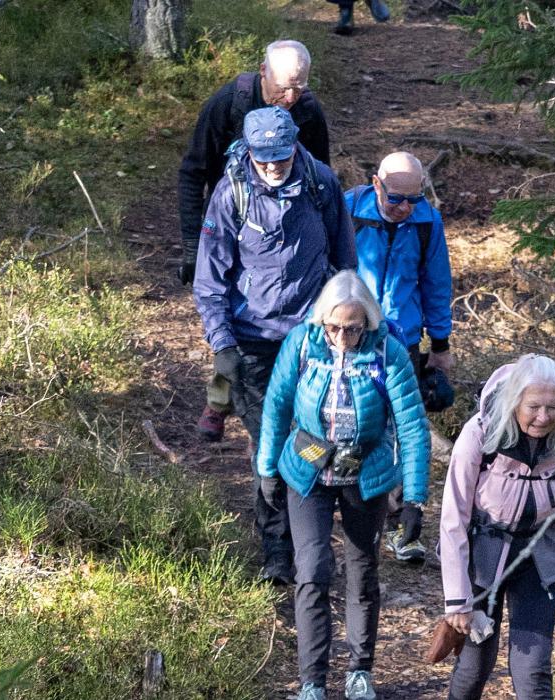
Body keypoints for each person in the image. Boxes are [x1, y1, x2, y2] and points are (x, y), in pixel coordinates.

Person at [193, 106, 356, 587]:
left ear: (294, 147)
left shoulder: (320, 184)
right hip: (252, 344)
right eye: (263, 158)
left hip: (311, 340)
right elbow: (209, 281)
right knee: (271, 447)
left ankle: (307, 547)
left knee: (309, 441)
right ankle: (277, 554)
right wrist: (222, 346)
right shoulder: (232, 193)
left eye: (279, 157)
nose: (271, 166)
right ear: (249, 151)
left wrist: (351, 328)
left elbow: (345, 264)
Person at [257, 271, 431, 700]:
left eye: (352, 328)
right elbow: (277, 406)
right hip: (308, 471)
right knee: (312, 571)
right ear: (322, 320)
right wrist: (267, 469)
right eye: (334, 327)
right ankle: (312, 681)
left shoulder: (388, 353)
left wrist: (414, 499)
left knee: (362, 571)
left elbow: (412, 427)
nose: (342, 336)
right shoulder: (302, 343)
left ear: (367, 322)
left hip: (365, 475)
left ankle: (359, 671)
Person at [438, 355, 555, 700]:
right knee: (474, 664)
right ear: (514, 402)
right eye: (534, 407)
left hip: (541, 558)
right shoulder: (479, 433)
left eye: (552, 407)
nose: (543, 417)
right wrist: (458, 600)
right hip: (483, 558)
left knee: (533, 668)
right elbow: (453, 518)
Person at [346, 151, 455, 564]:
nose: (405, 208)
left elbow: (436, 283)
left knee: (401, 428)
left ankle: (401, 525)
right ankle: (352, 508)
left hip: (403, 341)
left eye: (414, 198)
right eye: (396, 199)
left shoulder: (427, 222)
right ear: (376, 184)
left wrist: (440, 347)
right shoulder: (348, 211)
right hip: (350, 336)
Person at [178, 39, 332, 294]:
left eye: (299, 87)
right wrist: (194, 246)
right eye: (283, 88)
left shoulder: (308, 110)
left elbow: (323, 179)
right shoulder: (227, 104)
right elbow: (193, 174)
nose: (290, 98)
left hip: (288, 227)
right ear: (263, 70)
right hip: (229, 220)